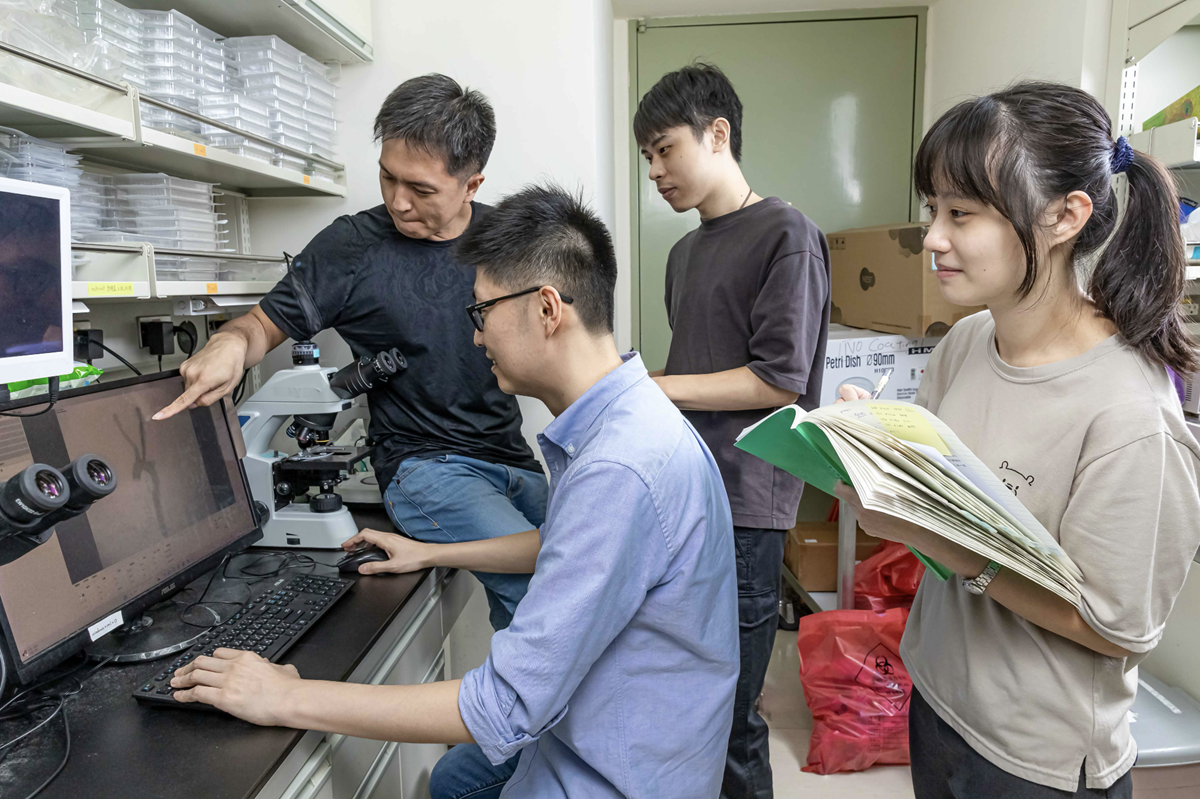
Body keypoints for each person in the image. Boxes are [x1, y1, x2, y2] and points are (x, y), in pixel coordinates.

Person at [169, 184, 740, 799]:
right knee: (455, 777)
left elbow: (502, 707)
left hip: (615, 775)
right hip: (638, 735)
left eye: (481, 313)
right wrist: (433, 552)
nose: (476, 338)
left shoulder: (618, 469)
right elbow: (560, 545)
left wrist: (285, 695)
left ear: (547, 309)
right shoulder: (629, 418)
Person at [835, 81, 1200, 798]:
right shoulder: (969, 340)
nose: (932, 237)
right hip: (940, 701)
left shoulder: (1130, 415)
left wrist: (944, 544)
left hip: (1038, 760)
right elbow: (938, 489)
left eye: (961, 213)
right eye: (933, 210)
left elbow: (1117, 628)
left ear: (1065, 215)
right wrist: (873, 448)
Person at [153, 74, 547, 633]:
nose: (398, 202)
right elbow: (259, 325)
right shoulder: (353, 247)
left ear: (472, 184)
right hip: (427, 467)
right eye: (387, 177)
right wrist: (229, 343)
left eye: (421, 189)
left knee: (595, 577)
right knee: (540, 593)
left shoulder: (510, 242)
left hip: (514, 459)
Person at [633, 63, 830, 799]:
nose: (655, 171)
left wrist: (653, 387)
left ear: (717, 134)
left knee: (733, 717)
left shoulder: (787, 234)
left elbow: (778, 379)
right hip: (683, 490)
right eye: (646, 157)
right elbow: (699, 373)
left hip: (746, 504)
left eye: (665, 149)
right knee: (690, 702)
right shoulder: (683, 253)